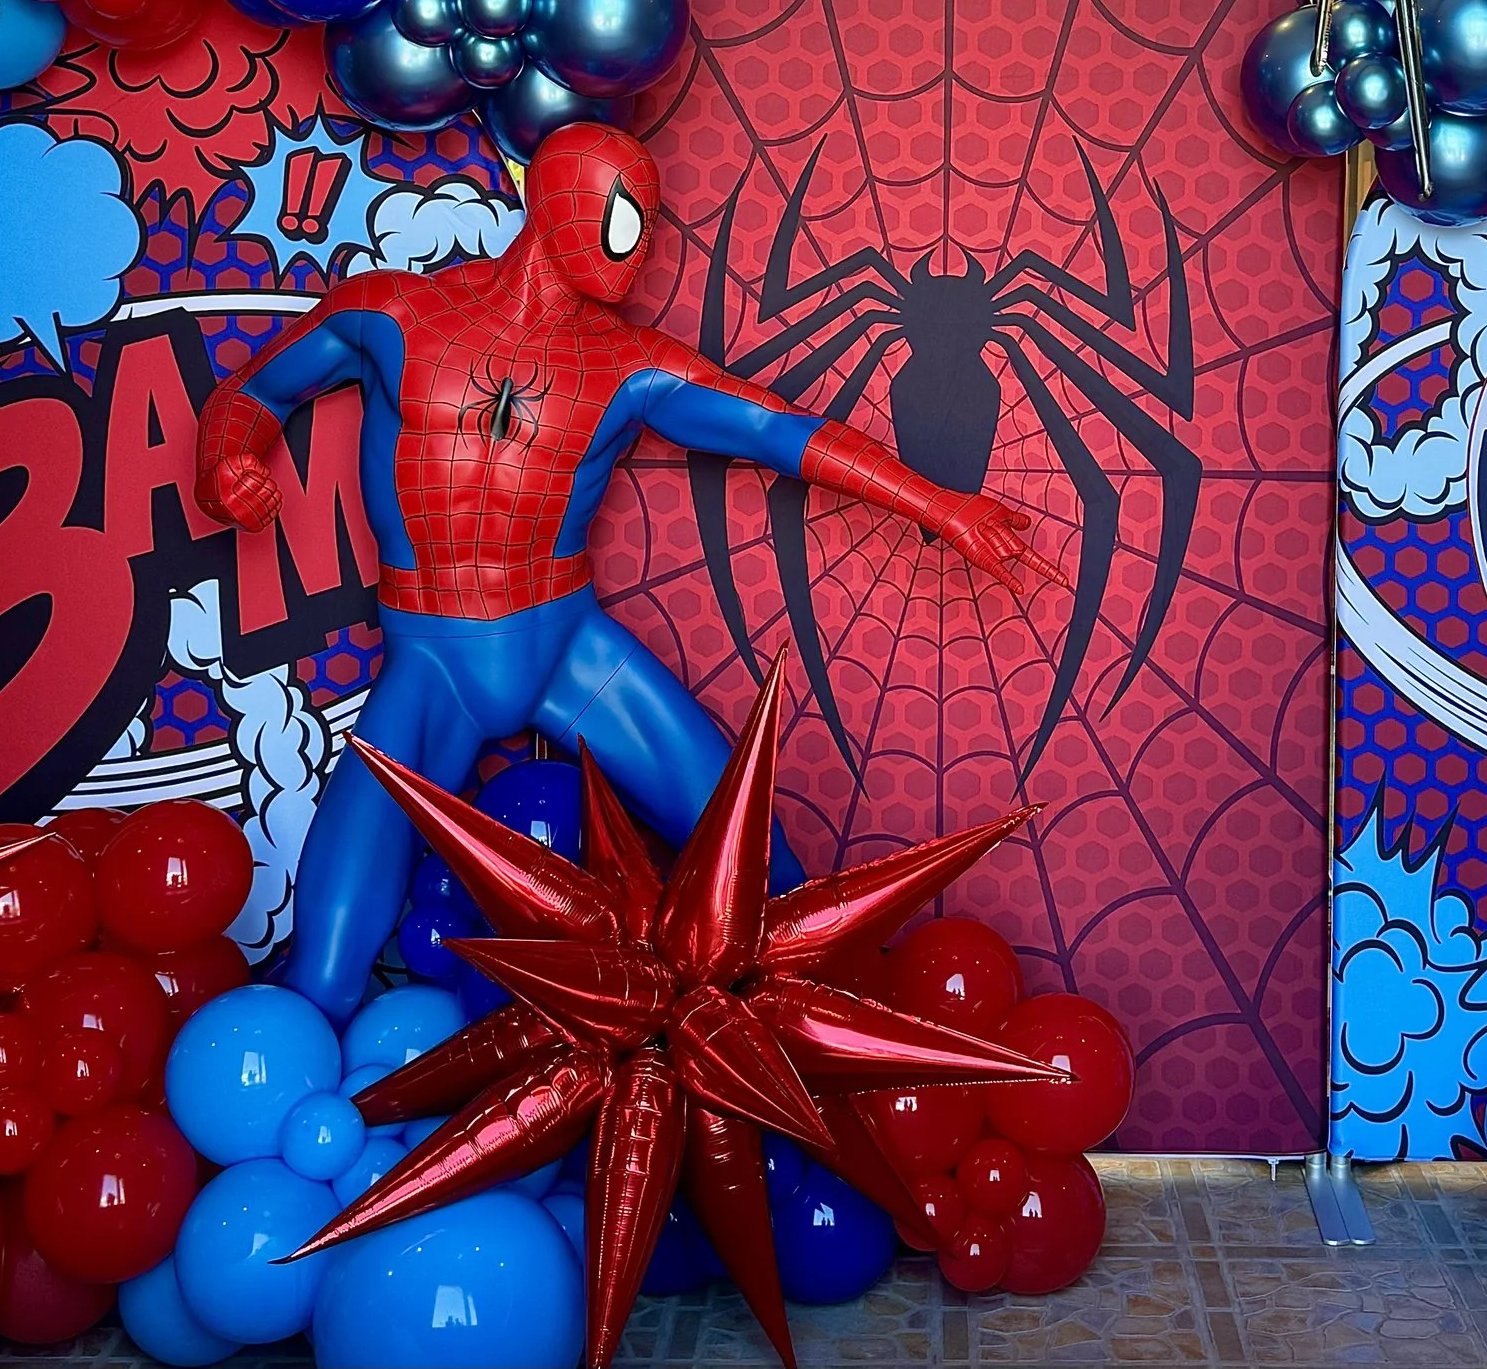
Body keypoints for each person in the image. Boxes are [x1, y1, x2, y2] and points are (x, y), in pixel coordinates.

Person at [195, 124, 1056, 1020]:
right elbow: (251, 392)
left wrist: (938, 504)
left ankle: (840, 1058)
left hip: (566, 640)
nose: (637, 250)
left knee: (757, 866)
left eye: (646, 225)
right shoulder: (391, 314)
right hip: (431, 664)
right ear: (555, 204)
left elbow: (777, 431)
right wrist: (226, 470)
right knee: (324, 971)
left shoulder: (628, 365)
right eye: (620, 219)